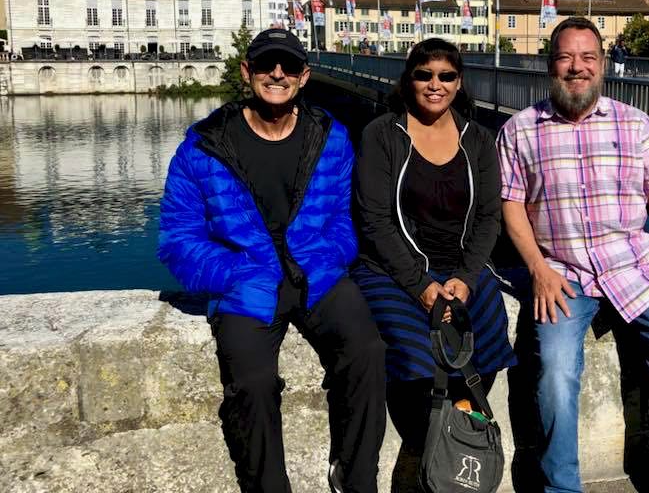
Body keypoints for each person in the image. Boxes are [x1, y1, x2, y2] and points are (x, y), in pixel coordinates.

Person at [158, 29, 386, 493]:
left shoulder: (330, 137)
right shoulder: (203, 146)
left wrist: (329, 256)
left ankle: (356, 477)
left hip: (317, 275)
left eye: (287, 66)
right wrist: (236, 273)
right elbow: (178, 241)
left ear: (304, 76)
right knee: (254, 385)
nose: (276, 74)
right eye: (265, 64)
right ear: (247, 72)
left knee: (368, 353)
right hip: (248, 283)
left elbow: (345, 220)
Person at [496, 17, 649, 493]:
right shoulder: (519, 130)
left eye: (588, 57)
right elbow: (511, 207)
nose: (577, 67)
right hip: (562, 274)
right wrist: (537, 269)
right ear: (550, 66)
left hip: (634, 269)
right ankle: (562, 488)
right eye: (566, 58)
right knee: (555, 375)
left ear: (603, 65)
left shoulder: (635, 123)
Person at [351, 37, 515, 492]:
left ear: (459, 83)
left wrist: (466, 277)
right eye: (424, 75)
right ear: (409, 80)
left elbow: (488, 218)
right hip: (392, 270)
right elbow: (374, 221)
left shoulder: (477, 140)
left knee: (488, 328)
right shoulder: (382, 135)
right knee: (413, 351)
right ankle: (433, 463)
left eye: (446, 76)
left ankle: (459, 446)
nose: (434, 84)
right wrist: (420, 284)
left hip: (460, 269)